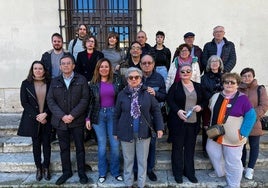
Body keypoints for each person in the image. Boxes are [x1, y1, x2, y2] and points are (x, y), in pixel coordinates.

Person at [114, 67, 164, 188]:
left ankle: (141, 184)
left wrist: (159, 128)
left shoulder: (148, 92)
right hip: (126, 132)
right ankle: (128, 184)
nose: (134, 79)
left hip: (143, 132)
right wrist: (115, 131)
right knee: (128, 161)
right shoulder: (122, 94)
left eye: (137, 77)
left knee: (142, 161)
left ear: (141, 78)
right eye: (131, 77)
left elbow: (156, 110)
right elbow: (116, 114)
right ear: (127, 79)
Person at [206, 72, 256, 188]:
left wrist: (243, 133)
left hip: (234, 137)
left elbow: (251, 116)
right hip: (215, 134)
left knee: (233, 162)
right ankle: (221, 172)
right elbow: (210, 110)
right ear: (223, 83)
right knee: (211, 151)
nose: (229, 84)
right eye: (226, 82)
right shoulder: (216, 96)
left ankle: (233, 185)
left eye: (232, 82)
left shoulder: (243, 99)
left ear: (237, 84)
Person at [47, 55, 90, 185]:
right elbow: (50, 100)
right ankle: (67, 172)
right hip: (60, 122)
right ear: (60, 67)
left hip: (77, 121)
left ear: (73, 65)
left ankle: (82, 172)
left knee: (80, 148)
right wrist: (63, 116)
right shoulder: (55, 81)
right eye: (63, 64)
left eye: (68, 63)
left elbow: (85, 99)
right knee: (64, 148)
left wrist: (72, 115)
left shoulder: (81, 80)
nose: (66, 65)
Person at [85, 58, 124, 183]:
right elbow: (90, 102)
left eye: (106, 66)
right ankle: (102, 172)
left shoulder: (117, 80)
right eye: (101, 66)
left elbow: (123, 97)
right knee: (102, 145)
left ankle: (115, 171)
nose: (104, 69)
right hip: (99, 115)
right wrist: (87, 118)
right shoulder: (93, 83)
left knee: (115, 144)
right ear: (98, 68)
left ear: (110, 68)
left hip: (113, 114)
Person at [167, 64, 206, 184]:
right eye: (183, 71)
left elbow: (205, 99)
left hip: (193, 123)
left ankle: (189, 173)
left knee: (190, 149)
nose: (185, 73)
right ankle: (177, 173)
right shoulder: (176, 86)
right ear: (179, 74)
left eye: (188, 71)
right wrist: (178, 111)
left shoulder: (198, 86)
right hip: (178, 123)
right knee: (177, 149)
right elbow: (169, 100)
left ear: (191, 72)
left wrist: (201, 106)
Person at [17, 61, 52, 181]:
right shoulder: (26, 84)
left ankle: (46, 167)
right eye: (35, 68)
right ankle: (39, 168)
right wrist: (38, 116)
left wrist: (45, 114)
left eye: (40, 68)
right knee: (36, 145)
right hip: (33, 119)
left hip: (47, 119)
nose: (38, 70)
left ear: (44, 70)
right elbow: (24, 102)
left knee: (47, 144)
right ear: (32, 70)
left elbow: (53, 101)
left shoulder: (50, 82)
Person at [134, 54, 166, 181]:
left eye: (149, 63)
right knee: (137, 144)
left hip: (152, 118)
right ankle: (136, 170)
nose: (147, 65)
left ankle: (150, 169)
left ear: (153, 64)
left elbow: (164, 96)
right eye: (144, 63)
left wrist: (156, 93)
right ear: (140, 64)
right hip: (136, 117)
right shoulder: (135, 76)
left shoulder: (159, 78)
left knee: (151, 145)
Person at [41, 32, 71, 143]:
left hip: (64, 84)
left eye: (59, 41)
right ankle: (52, 133)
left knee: (63, 106)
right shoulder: (46, 55)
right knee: (51, 106)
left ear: (62, 42)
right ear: (52, 42)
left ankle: (64, 130)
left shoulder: (68, 54)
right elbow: (42, 69)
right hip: (50, 85)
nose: (57, 43)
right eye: (55, 41)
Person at [239, 68, 268, 180]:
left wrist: (251, 116)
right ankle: (241, 167)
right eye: (244, 76)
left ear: (253, 76)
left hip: (254, 122)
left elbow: (264, 105)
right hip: (240, 122)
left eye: (249, 76)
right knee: (241, 146)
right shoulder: (238, 89)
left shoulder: (259, 89)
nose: (246, 78)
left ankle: (250, 169)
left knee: (254, 146)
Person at [201, 55, 224, 157]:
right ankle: (206, 150)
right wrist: (214, 99)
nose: (214, 63)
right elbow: (203, 91)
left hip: (222, 106)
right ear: (209, 65)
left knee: (220, 126)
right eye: (212, 62)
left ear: (220, 64)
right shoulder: (204, 77)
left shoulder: (225, 77)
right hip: (208, 105)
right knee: (207, 127)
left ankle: (218, 147)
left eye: (217, 61)